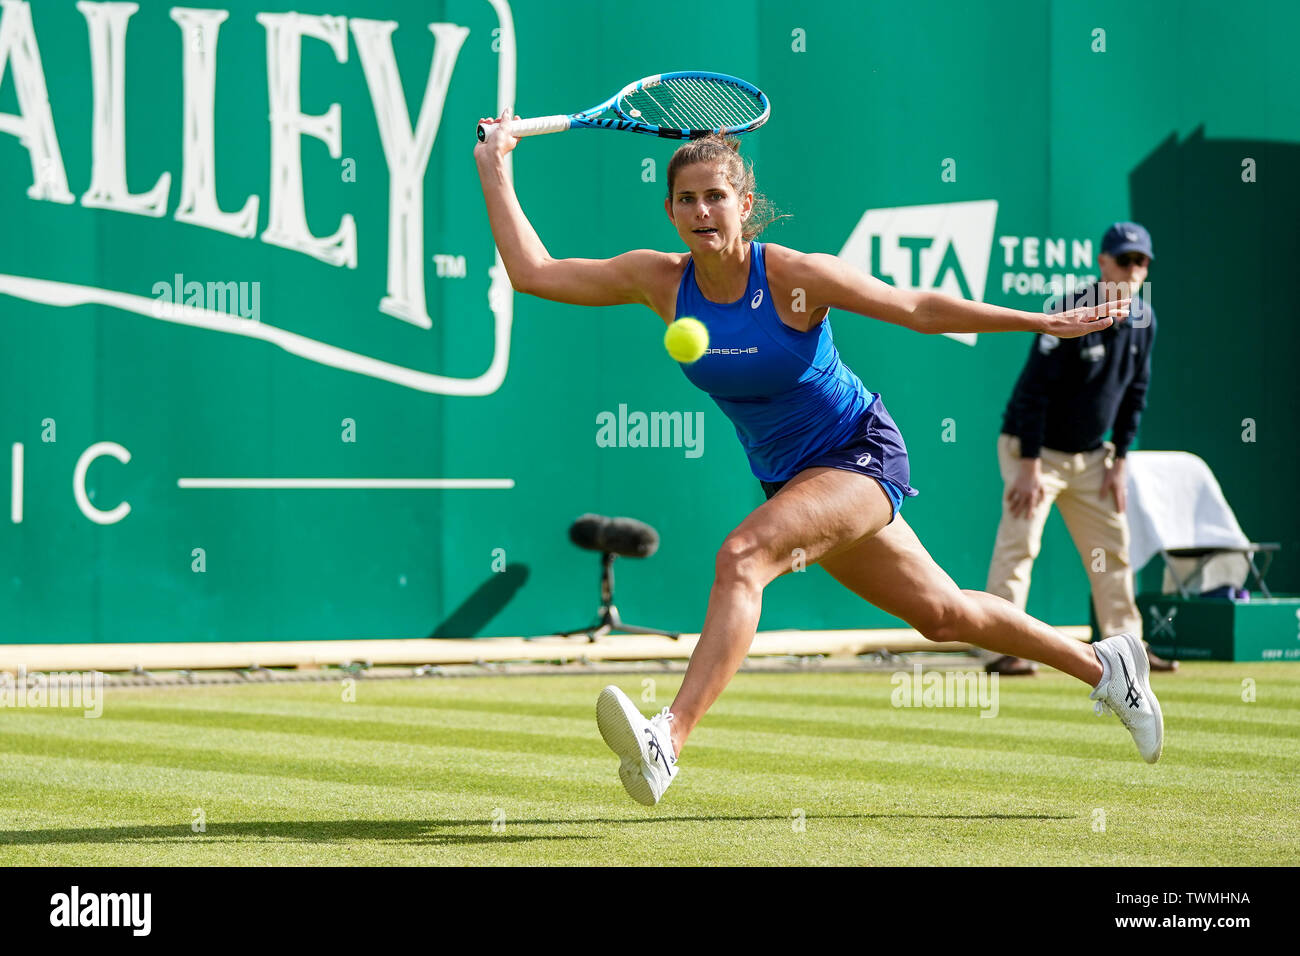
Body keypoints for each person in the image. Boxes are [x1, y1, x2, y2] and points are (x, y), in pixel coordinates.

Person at [475, 111, 1164, 807]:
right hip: (795, 478)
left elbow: (918, 307)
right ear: (670, 210)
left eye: (716, 196)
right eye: (687, 199)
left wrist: (1037, 320)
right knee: (944, 615)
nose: (702, 211)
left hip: (858, 453)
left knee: (744, 554)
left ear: (745, 205)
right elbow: (534, 274)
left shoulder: (792, 276)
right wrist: (493, 166)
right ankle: (1108, 668)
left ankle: (668, 739)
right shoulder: (660, 281)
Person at [980, 222, 1176, 676]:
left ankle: (1130, 651)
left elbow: (1135, 396)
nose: (1131, 270)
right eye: (1123, 260)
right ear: (1102, 262)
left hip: (1093, 458)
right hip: (1035, 454)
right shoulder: (1069, 312)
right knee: (1019, 546)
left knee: (1113, 551)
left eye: (1140, 262)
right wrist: (1028, 466)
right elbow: (1033, 392)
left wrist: (1120, 461)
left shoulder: (1145, 323)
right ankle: (998, 647)